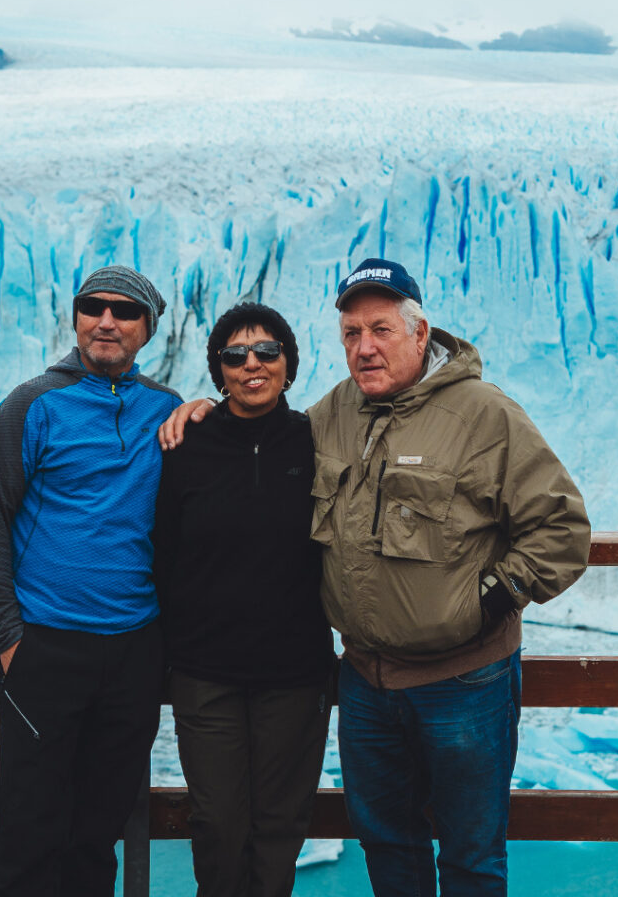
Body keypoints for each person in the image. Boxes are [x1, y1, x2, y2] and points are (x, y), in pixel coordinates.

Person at [160, 257, 591, 897]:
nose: (365, 347)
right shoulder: (335, 413)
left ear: (420, 333)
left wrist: (490, 600)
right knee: (390, 849)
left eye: (381, 330)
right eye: (352, 334)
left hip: (462, 681)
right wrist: (205, 408)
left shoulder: (483, 415)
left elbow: (561, 529)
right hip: (366, 681)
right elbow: (259, 425)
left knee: (471, 857)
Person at [0, 265, 181, 896]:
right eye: (93, 307)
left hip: (134, 652)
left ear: (147, 329)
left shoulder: (166, 411)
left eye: (125, 311)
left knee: (96, 835)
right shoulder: (32, 405)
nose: (106, 321)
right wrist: (8, 639)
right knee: (30, 835)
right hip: (46, 647)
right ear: (77, 317)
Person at [153, 302, 333, 897]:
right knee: (217, 825)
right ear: (219, 370)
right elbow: (162, 553)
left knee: (280, 827)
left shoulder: (317, 441)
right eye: (234, 355)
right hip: (206, 675)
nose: (251, 364)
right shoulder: (187, 444)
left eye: (266, 351)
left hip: (295, 675)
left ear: (288, 364)